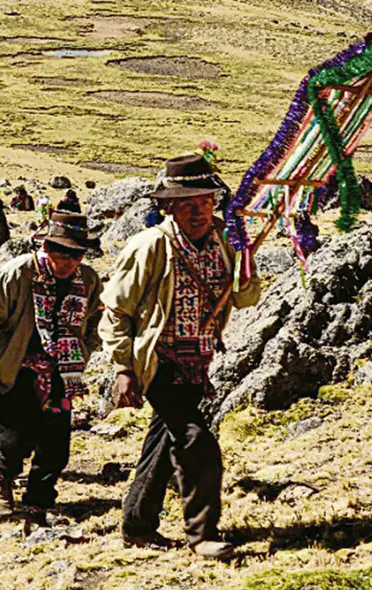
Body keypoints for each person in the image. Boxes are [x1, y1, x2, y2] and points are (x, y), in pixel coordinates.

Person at [98, 153, 262, 559]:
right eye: (188, 204)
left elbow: (245, 298)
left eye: (206, 202)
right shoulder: (150, 246)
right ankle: (202, 534)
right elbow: (116, 309)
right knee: (196, 441)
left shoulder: (226, 244)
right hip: (160, 362)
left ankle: (137, 524)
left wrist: (246, 266)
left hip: (199, 362)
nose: (199, 211)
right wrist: (123, 368)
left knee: (164, 439)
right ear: (168, 206)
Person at [0, 213, 103, 521]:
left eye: (76, 254)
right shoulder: (17, 274)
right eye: (61, 252)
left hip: (62, 372)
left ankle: (38, 499)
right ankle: (2, 480)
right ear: (46, 246)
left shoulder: (88, 279)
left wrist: (85, 347)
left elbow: (96, 317)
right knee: (15, 438)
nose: (68, 261)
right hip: (16, 369)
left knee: (57, 445)